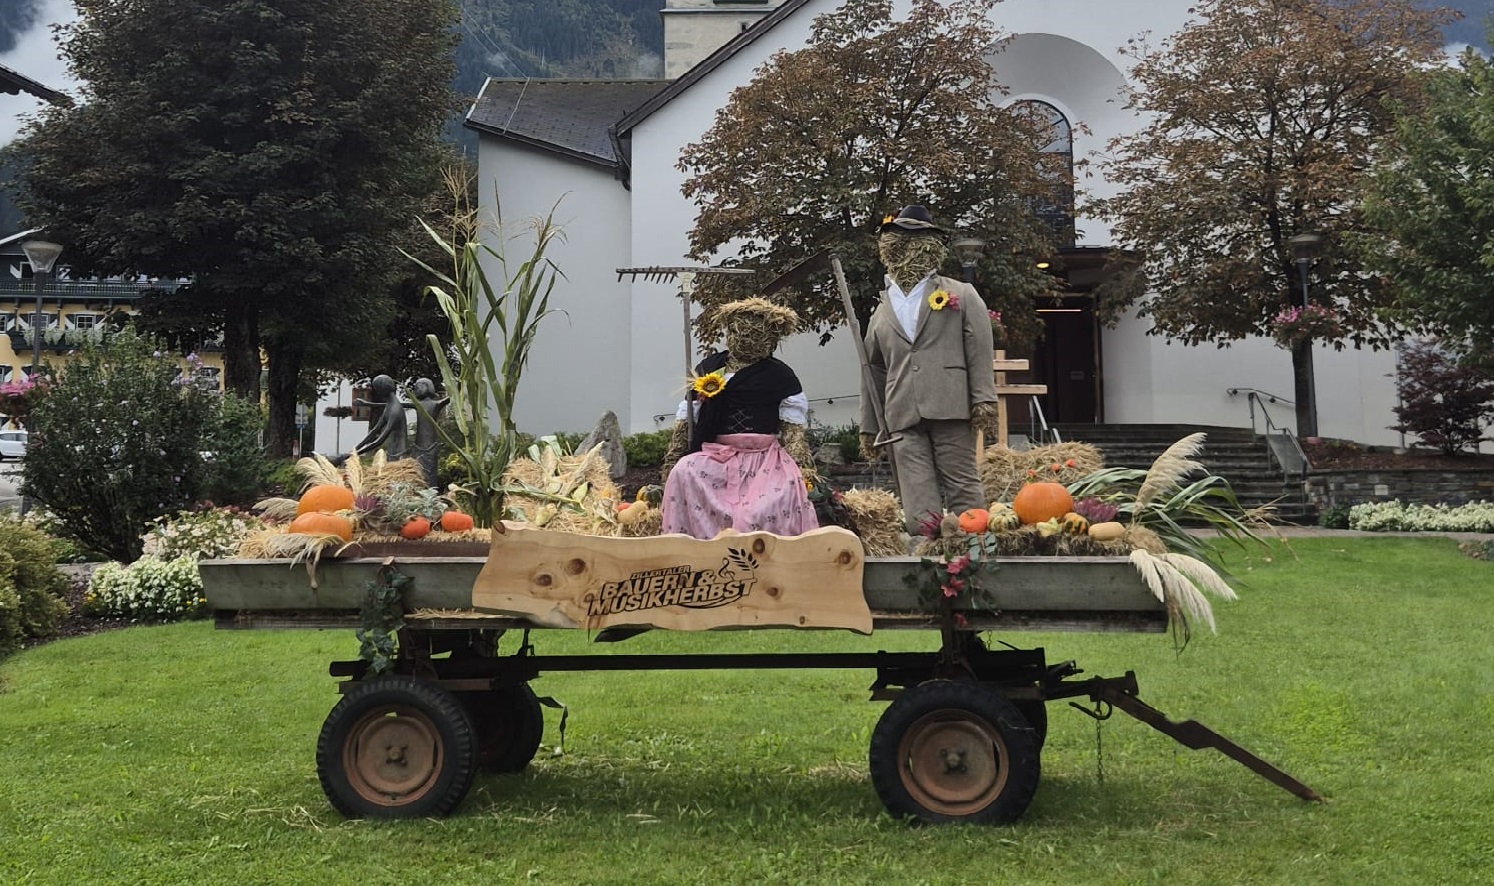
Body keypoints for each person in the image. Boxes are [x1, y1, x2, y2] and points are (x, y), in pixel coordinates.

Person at [859, 204, 1000, 534]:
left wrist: (984, 399)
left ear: (931, 244)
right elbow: (873, 370)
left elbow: (980, 350)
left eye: (917, 237)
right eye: (901, 237)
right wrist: (869, 424)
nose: (908, 244)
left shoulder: (960, 294)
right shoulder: (881, 309)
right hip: (901, 412)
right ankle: (925, 555)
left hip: (950, 403)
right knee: (915, 494)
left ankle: (974, 551)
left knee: (962, 484)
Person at [660, 297, 819, 539]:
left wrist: (801, 464)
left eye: (755, 333)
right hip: (716, 455)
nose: (745, 338)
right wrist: (674, 456)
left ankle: (758, 558)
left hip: (764, 459)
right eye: (739, 331)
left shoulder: (780, 375)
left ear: (771, 337)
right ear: (730, 330)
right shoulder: (710, 368)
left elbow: (793, 429)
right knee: (684, 470)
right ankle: (700, 550)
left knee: (762, 508)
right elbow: (687, 420)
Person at [349, 374, 410, 461]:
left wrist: (355, 454)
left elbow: (380, 440)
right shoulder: (389, 405)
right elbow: (375, 430)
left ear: (382, 389)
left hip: (399, 453)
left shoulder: (394, 410)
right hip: (393, 450)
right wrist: (354, 450)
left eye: (377, 389)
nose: (377, 392)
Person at [407, 377, 449, 486]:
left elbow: (450, 398)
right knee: (418, 474)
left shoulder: (435, 404)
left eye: (418, 387)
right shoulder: (418, 404)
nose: (416, 389)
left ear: (427, 387)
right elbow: (397, 405)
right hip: (418, 446)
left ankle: (431, 497)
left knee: (429, 475)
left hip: (430, 446)